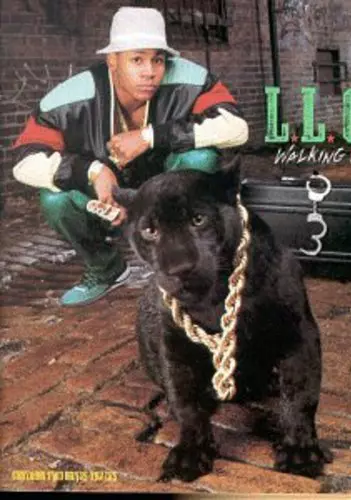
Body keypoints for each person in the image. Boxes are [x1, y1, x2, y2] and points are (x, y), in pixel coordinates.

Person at [12, 6, 248, 307]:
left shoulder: (190, 79)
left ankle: (192, 261)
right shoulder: (71, 97)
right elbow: (24, 160)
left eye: (158, 59)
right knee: (54, 199)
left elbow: (237, 128)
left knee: (200, 159)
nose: (149, 71)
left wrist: (150, 137)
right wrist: (92, 171)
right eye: (137, 59)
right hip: (106, 199)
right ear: (112, 60)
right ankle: (106, 269)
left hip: (166, 195)